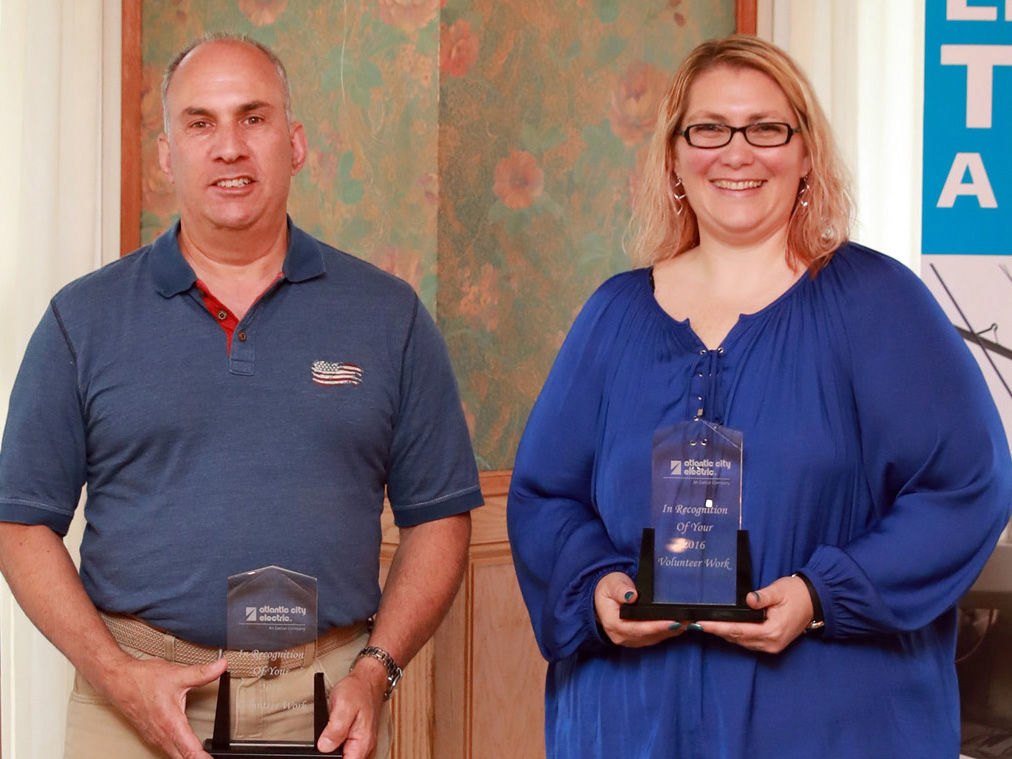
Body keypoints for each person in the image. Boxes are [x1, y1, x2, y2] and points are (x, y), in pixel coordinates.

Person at [507, 34, 1012, 759]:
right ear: (676, 156)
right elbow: (543, 497)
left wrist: (819, 595)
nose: (736, 152)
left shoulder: (878, 304)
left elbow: (967, 485)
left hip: (832, 727)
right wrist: (594, 587)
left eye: (766, 128)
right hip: (630, 726)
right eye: (708, 128)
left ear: (806, 152)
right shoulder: (612, 317)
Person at [0, 33, 482, 759]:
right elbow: (19, 524)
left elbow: (440, 518)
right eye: (201, 122)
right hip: (132, 702)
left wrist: (376, 672)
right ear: (167, 152)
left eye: (253, 118)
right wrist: (117, 676)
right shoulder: (83, 319)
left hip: (326, 705)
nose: (229, 146)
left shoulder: (389, 316)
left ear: (295, 142)